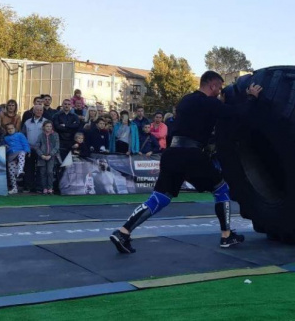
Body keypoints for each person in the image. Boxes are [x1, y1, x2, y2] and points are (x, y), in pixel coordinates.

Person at [110, 70, 263, 254]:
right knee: (221, 188)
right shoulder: (209, 103)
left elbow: (197, 120)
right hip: (191, 154)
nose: (220, 92)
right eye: (219, 88)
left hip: (172, 153)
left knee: (160, 197)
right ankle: (226, 235)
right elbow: (236, 114)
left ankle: (123, 232)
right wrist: (251, 98)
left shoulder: (186, 101)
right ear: (212, 85)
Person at [4, 123, 31, 194]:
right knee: (11, 172)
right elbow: (4, 147)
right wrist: (5, 146)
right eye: (8, 129)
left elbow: (25, 143)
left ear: (15, 129)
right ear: (6, 130)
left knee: (22, 154)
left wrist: (27, 151)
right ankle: (14, 188)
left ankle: (20, 170)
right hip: (11, 154)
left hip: (20, 151)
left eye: (12, 128)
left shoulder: (20, 135)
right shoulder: (5, 138)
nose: (10, 130)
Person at [35, 121, 60, 194]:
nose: (49, 128)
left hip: (51, 157)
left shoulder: (55, 135)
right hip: (42, 157)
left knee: (50, 172)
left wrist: (50, 155)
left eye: (50, 126)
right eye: (47, 126)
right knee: (43, 173)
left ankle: (50, 187)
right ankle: (44, 188)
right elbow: (37, 146)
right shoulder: (40, 136)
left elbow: (57, 146)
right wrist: (41, 155)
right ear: (43, 127)